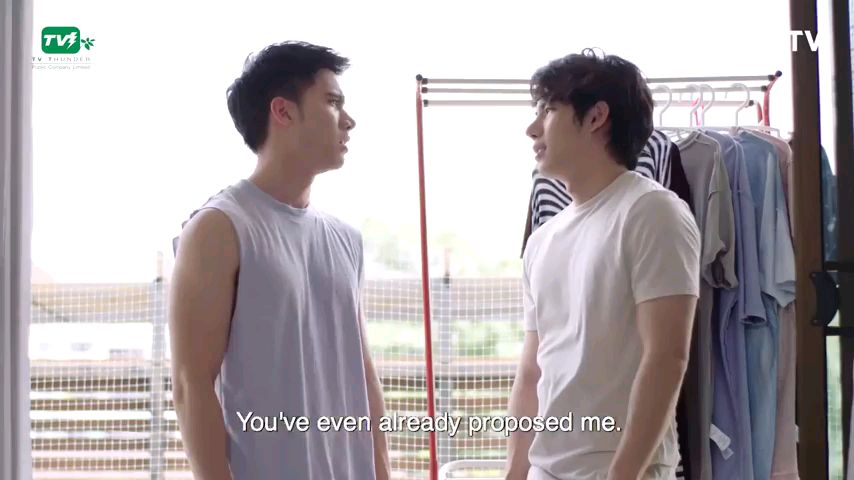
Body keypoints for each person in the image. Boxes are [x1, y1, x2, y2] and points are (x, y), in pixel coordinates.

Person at [168, 41, 390, 480]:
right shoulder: (218, 228)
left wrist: (383, 471)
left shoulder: (346, 239)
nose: (348, 120)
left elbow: (363, 374)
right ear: (283, 112)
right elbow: (191, 386)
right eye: (333, 102)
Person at [504, 49, 701, 480]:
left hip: (620, 469)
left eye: (548, 110)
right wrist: (515, 473)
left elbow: (667, 357)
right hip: (545, 469)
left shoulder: (652, 211)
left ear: (596, 117)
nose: (532, 128)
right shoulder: (541, 241)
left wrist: (621, 475)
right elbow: (532, 371)